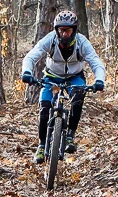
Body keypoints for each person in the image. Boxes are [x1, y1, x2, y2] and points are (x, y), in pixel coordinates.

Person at [21, 10, 107, 163]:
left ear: (74, 30)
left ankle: (70, 136)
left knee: (78, 98)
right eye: (61, 30)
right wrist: (27, 72)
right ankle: (41, 146)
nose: (64, 34)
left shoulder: (82, 42)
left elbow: (96, 62)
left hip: (75, 77)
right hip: (51, 76)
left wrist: (99, 80)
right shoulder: (50, 39)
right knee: (45, 107)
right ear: (56, 30)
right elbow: (31, 56)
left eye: (67, 30)